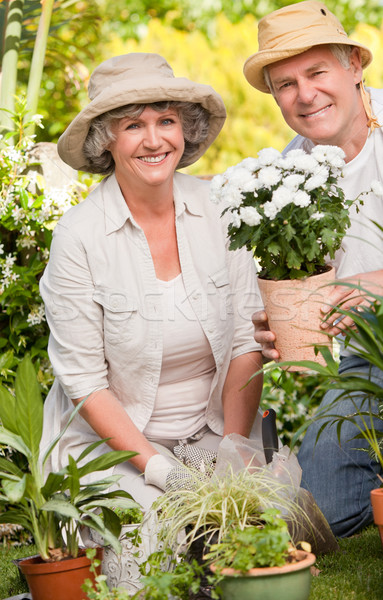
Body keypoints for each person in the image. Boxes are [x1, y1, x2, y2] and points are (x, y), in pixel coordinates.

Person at [39, 52, 264, 512]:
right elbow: (84, 382)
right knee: (164, 534)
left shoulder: (222, 209)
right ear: (106, 141)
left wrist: (235, 453)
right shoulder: (78, 237)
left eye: (166, 121)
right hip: (117, 450)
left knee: (263, 519)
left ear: (184, 130)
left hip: (214, 434)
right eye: (133, 126)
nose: (154, 140)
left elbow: (246, 342)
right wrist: (163, 472)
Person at [243, 0, 383, 537]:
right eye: (285, 83)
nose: (304, 95)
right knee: (314, 510)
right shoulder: (285, 178)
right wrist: (274, 324)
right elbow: (294, 282)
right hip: (366, 364)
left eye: (317, 72)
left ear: (353, 66)